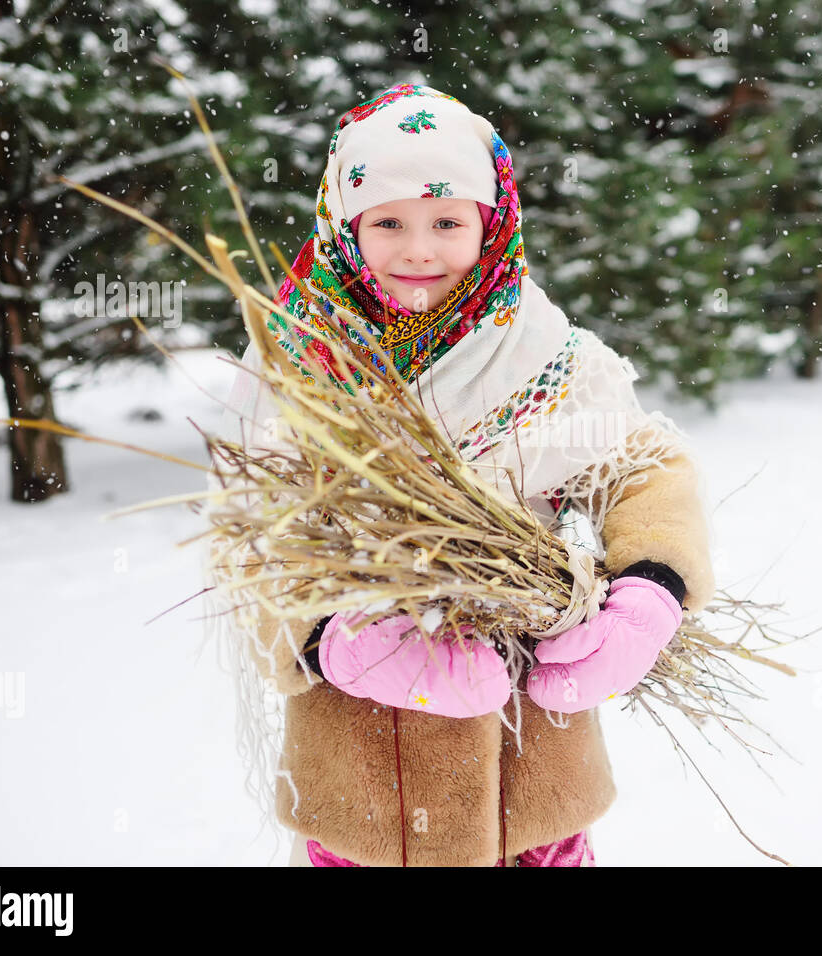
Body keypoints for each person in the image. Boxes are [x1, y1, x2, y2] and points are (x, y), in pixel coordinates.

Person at [213, 82, 715, 866]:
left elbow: (642, 470)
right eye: (388, 222)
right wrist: (334, 641)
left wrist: (651, 590)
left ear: (492, 222)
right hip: (362, 790)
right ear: (346, 227)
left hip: (536, 780)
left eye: (447, 221)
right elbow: (248, 529)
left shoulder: (544, 352)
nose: (420, 249)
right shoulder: (301, 360)